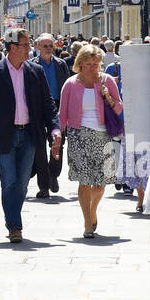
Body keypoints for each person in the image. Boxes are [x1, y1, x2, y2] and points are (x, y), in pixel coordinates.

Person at [0, 28, 61, 243]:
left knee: (22, 184)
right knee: (9, 181)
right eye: (25, 45)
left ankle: (11, 217)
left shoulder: (35, 71)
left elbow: (47, 103)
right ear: (12, 47)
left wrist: (55, 128)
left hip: (30, 135)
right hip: (5, 135)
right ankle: (15, 224)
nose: (29, 49)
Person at [57, 44, 124, 235]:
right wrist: (58, 137)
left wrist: (108, 97)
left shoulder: (107, 80)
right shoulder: (70, 83)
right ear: (80, 63)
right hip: (79, 135)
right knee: (84, 181)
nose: (92, 67)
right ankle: (87, 223)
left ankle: (92, 211)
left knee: (101, 184)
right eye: (88, 64)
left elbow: (119, 108)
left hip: (103, 135)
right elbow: (62, 114)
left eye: (96, 64)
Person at [31, 34, 69, 198]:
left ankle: (53, 174)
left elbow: (67, 87)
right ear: (38, 47)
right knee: (39, 147)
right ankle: (44, 185)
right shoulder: (32, 65)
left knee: (58, 143)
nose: (47, 49)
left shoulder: (61, 64)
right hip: (38, 107)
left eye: (50, 46)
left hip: (57, 106)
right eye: (44, 46)